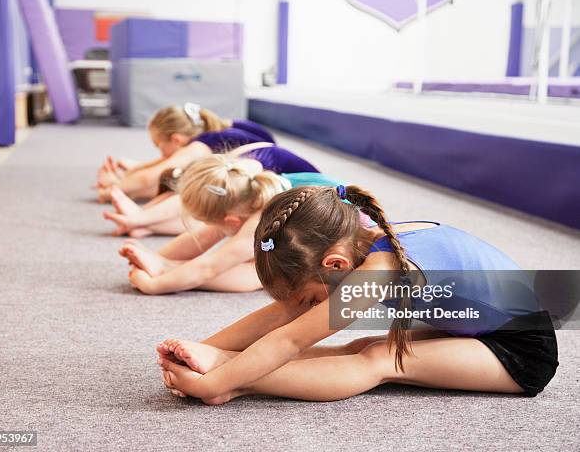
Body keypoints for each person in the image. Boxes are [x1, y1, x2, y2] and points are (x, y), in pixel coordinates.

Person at [155, 184, 559, 404]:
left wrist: (216, 384)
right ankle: (230, 366)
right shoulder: (363, 236)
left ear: (334, 265)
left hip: (520, 351)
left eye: (311, 298)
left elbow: (292, 338)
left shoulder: (380, 271)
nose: (310, 307)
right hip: (478, 330)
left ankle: (243, 381)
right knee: (365, 341)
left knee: (379, 358)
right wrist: (207, 348)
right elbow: (281, 317)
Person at [119, 155, 342, 294]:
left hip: (350, 253)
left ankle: (170, 269)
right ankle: (168, 267)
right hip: (326, 224)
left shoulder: (262, 219)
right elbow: (202, 236)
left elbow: (210, 267)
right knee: (261, 256)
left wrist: (156, 285)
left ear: (232, 220)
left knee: (263, 272)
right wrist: (159, 258)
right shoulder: (251, 190)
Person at [103, 143, 319, 237]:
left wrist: (114, 190)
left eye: (159, 144)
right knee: (211, 215)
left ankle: (141, 219)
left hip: (309, 191)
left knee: (213, 213)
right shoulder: (216, 172)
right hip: (288, 190)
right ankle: (145, 223)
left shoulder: (234, 167)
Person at [96, 103, 275, 202]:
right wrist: (134, 170)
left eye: (159, 145)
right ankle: (128, 183)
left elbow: (151, 176)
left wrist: (112, 191)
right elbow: (166, 161)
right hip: (268, 171)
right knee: (178, 176)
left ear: (177, 140)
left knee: (184, 187)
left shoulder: (200, 146)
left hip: (269, 186)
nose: (160, 152)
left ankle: (126, 189)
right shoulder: (219, 125)